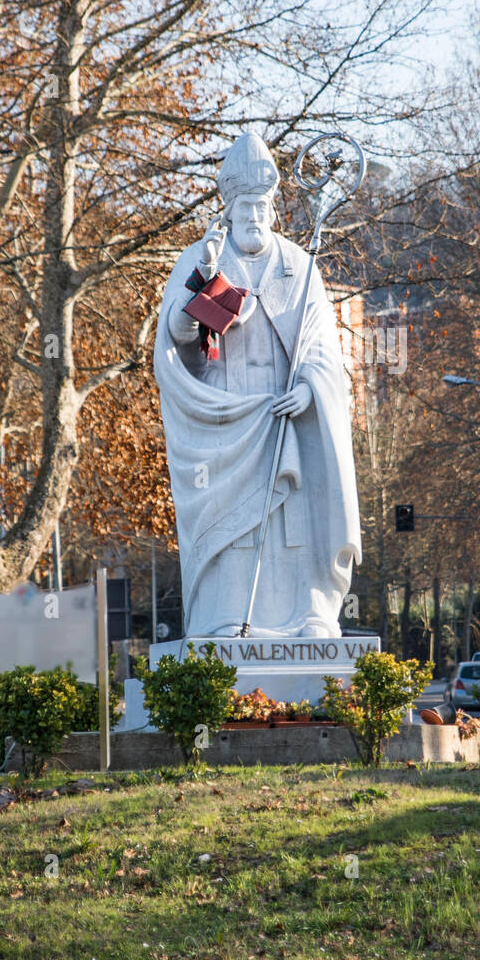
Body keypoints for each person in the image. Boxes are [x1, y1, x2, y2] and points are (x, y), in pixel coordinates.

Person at [153, 131, 361, 637]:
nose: (253, 219)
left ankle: (307, 613)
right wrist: (200, 287)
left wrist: (311, 390)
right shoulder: (203, 258)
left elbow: (323, 350)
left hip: (285, 413)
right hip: (225, 417)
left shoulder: (300, 266)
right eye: (243, 209)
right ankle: (226, 616)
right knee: (236, 522)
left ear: (272, 211)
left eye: (261, 210)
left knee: (294, 514)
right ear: (229, 210)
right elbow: (175, 338)